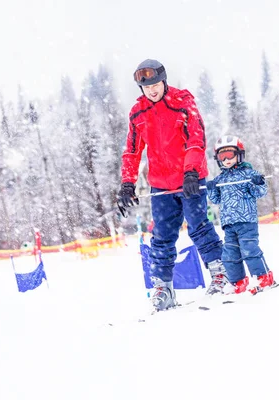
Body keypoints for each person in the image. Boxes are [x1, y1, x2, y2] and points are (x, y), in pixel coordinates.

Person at [117, 59, 229, 312]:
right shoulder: (138, 113)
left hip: (190, 179)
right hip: (161, 184)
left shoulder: (182, 103)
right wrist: (127, 183)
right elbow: (132, 152)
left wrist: (190, 171)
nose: (152, 90)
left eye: (156, 84)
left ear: (164, 81)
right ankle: (163, 288)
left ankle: (221, 274)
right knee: (162, 236)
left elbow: (196, 140)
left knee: (199, 226)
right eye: (147, 87)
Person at [206, 135, 277, 294]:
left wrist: (258, 182)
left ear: (239, 154)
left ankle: (263, 277)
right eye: (222, 156)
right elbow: (216, 198)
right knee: (229, 255)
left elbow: (260, 192)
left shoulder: (248, 174)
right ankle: (238, 281)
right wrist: (211, 188)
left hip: (246, 221)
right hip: (229, 224)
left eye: (229, 155)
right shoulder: (220, 179)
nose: (226, 160)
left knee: (249, 250)